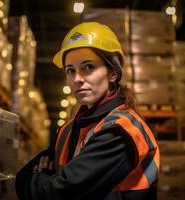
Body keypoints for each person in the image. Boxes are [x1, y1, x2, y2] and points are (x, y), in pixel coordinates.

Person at [15, 22, 160, 200]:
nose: (77, 79)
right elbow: (22, 176)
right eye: (70, 70)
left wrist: (40, 179)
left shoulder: (120, 131)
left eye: (88, 67)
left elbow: (56, 194)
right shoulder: (68, 130)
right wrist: (42, 182)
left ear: (113, 73)